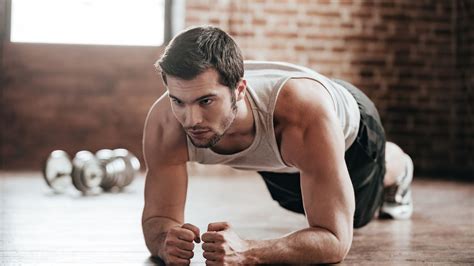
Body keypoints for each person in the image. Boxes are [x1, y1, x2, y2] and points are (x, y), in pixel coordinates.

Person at [141, 25, 414, 264]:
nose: (191, 120)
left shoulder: (301, 116)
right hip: (281, 156)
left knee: (359, 215)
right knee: (295, 202)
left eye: (206, 101)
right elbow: (157, 219)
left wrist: (248, 251)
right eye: (178, 101)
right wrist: (166, 242)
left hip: (351, 131)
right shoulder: (165, 124)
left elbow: (335, 240)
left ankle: (398, 166)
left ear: (239, 91)